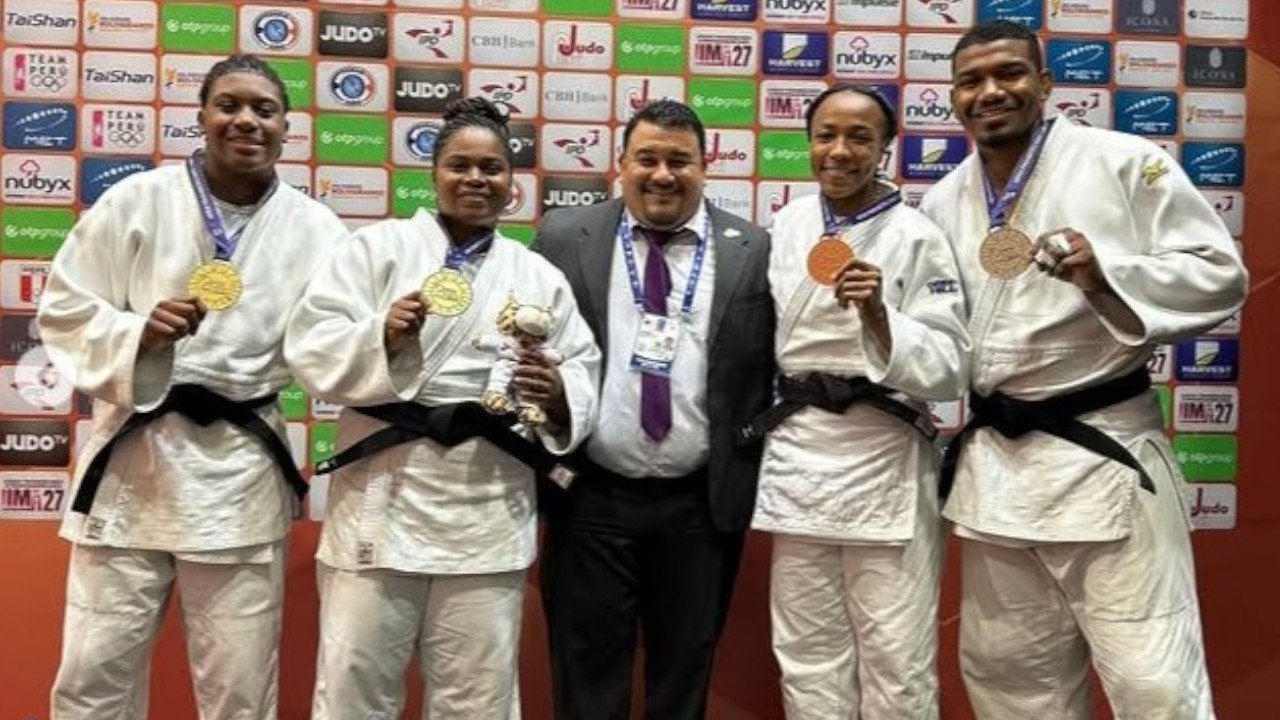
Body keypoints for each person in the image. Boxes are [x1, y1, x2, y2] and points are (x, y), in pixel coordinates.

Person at [919, 20, 1247, 720]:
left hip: (1105, 455)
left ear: (1044, 83)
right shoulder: (944, 199)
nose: (990, 92)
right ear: (952, 97)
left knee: (1156, 684)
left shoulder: (1124, 161)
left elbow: (1218, 275)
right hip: (999, 475)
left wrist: (1107, 275)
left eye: (1008, 73)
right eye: (970, 81)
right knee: (1011, 682)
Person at [37, 54, 347, 720]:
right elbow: (64, 308)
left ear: (286, 128)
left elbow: (335, 342)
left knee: (239, 689)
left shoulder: (316, 230)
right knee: (92, 678)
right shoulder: (137, 201)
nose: (246, 120)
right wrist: (136, 336)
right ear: (202, 116)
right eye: (229, 105)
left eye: (263, 110)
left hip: (237, 474)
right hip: (133, 466)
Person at [284, 97, 600, 720]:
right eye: (460, 165)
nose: (476, 179)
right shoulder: (376, 250)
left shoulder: (537, 276)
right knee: (355, 685)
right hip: (383, 499)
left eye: (492, 169)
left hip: (484, 503)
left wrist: (557, 392)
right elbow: (311, 347)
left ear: (513, 185)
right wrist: (384, 333)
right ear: (433, 174)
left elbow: (582, 366)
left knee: (477, 697)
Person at [533, 99, 775, 720]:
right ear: (621, 164)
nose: (662, 174)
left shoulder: (751, 249)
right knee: (586, 676)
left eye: (679, 160)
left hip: (699, 507)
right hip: (590, 500)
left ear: (706, 166)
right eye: (647, 158)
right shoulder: (565, 239)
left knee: (683, 677)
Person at [749, 85, 969, 720]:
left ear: (885, 147)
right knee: (806, 651)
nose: (840, 151)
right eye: (826, 135)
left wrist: (880, 315)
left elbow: (952, 365)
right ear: (808, 140)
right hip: (798, 457)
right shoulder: (789, 223)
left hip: (884, 457)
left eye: (860, 138)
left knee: (896, 658)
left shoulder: (917, 235)